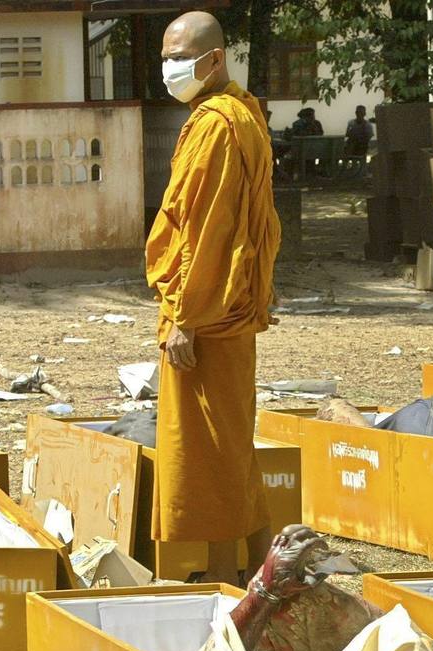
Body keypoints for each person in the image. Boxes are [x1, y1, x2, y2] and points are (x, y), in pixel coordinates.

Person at [146, 11, 281, 585]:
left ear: (215, 58)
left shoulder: (218, 126)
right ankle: (259, 558)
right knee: (230, 437)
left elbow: (206, 231)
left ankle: (224, 571)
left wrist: (186, 316)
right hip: (228, 309)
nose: (169, 69)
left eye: (180, 58)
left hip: (209, 312)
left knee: (209, 447)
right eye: (165, 58)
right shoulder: (238, 114)